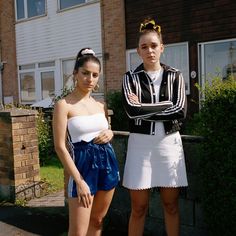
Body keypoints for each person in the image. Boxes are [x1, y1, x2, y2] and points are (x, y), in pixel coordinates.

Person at [122, 18, 188, 236]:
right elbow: (132, 111)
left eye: (153, 46)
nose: (149, 50)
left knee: (171, 206)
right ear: (138, 51)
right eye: (144, 47)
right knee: (138, 208)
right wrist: (163, 106)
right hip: (140, 147)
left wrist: (144, 107)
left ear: (162, 48)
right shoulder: (129, 78)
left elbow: (179, 111)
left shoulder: (175, 75)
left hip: (169, 145)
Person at [53, 48, 119, 236]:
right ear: (75, 74)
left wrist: (110, 132)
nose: (90, 78)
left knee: (97, 221)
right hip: (82, 169)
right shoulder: (63, 105)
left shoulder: (101, 105)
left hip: (107, 165)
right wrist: (79, 181)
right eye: (85, 73)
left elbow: (105, 129)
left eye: (95, 75)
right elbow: (59, 146)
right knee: (78, 232)